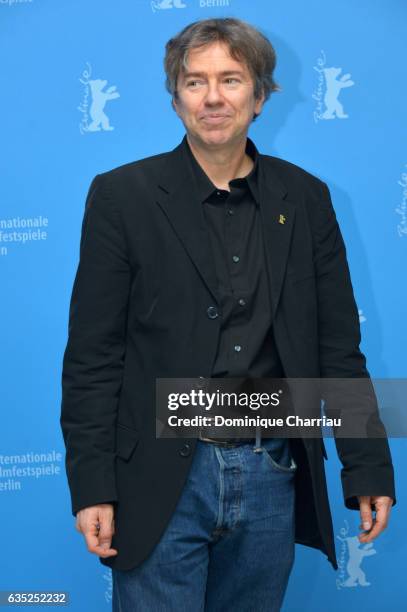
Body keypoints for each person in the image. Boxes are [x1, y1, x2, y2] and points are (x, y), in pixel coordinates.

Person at [60, 17, 396, 611]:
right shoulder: (121, 197)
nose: (213, 97)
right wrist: (92, 488)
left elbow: (338, 348)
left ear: (260, 96)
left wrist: (366, 466)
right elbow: (93, 358)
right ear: (175, 98)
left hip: (272, 468)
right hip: (160, 479)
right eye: (195, 82)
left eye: (231, 79)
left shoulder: (308, 199)